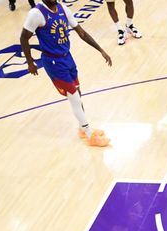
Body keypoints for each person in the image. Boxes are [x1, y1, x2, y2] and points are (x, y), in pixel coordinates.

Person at [19, 0, 113, 147]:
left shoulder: (62, 8)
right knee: (74, 97)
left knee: (78, 92)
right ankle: (89, 134)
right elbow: (24, 38)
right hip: (53, 62)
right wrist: (30, 62)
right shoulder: (36, 14)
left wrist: (101, 50)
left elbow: (81, 32)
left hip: (67, 57)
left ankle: (83, 128)